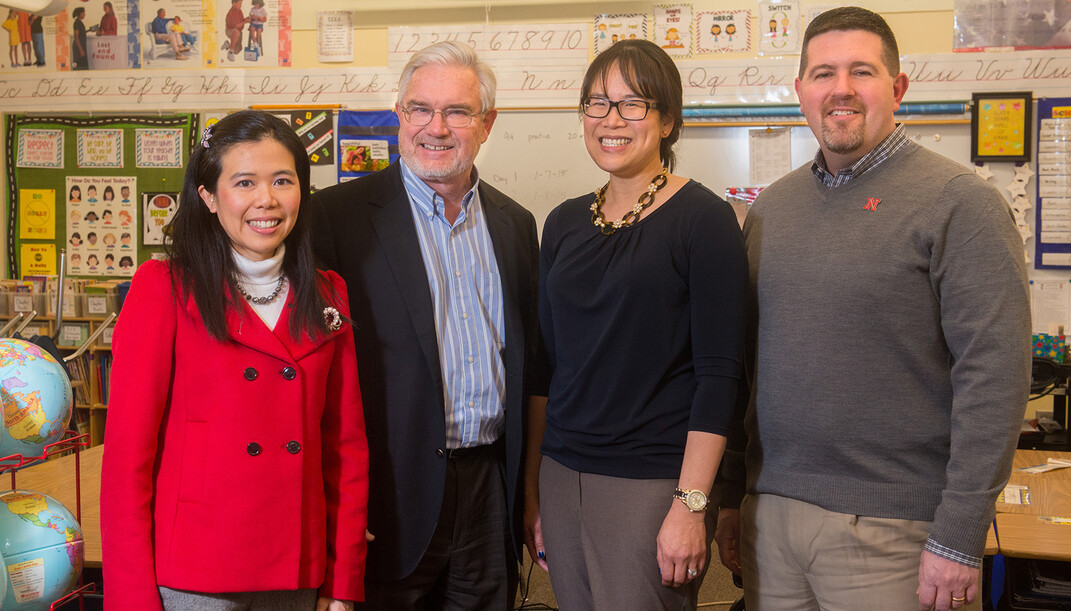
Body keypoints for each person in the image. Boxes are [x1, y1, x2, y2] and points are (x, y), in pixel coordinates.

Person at [716, 7, 1031, 611]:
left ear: (898, 87)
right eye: (822, 73)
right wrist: (733, 495)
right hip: (773, 519)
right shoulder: (770, 212)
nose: (840, 88)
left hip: (898, 532)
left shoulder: (961, 204)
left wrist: (961, 533)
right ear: (801, 91)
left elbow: (995, 377)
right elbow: (747, 371)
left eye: (861, 71)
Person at [100, 110, 369, 611]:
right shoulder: (165, 288)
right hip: (195, 573)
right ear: (208, 196)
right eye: (244, 182)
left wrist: (342, 582)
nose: (265, 200)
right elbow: (126, 464)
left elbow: (346, 451)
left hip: (297, 567)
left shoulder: (329, 292)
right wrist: (132, 599)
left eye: (282, 181)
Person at [311, 41, 544, 610]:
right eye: (420, 109)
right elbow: (314, 377)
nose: (435, 128)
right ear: (399, 116)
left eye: (457, 112)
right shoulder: (336, 220)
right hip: (386, 496)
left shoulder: (516, 225)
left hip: (490, 488)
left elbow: (531, 364)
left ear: (486, 123)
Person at [523, 38, 747, 610]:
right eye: (597, 103)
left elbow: (720, 375)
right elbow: (546, 369)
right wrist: (533, 494)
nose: (611, 119)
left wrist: (692, 504)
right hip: (562, 471)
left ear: (668, 119)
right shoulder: (565, 223)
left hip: (653, 481)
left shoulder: (704, 219)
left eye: (633, 104)